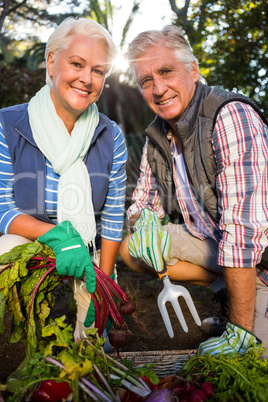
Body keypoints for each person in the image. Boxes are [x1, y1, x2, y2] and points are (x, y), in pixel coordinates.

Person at [119, 25, 268, 357]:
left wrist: (241, 333)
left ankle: (244, 318)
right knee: (131, 249)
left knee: (256, 359)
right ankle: (232, 298)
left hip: (260, 252)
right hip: (213, 239)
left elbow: (243, 235)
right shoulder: (156, 138)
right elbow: (143, 203)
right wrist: (143, 223)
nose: (158, 88)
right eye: (146, 81)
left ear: (194, 70)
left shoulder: (228, 116)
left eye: (166, 71)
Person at [0, 17, 127, 345]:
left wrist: (104, 284)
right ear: (51, 61)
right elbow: (2, 209)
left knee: (95, 345)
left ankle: (88, 339)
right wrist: (55, 234)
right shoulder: (7, 125)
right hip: (30, 237)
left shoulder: (111, 136)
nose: (86, 79)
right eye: (77, 64)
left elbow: (113, 220)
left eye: (98, 71)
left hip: (88, 246)